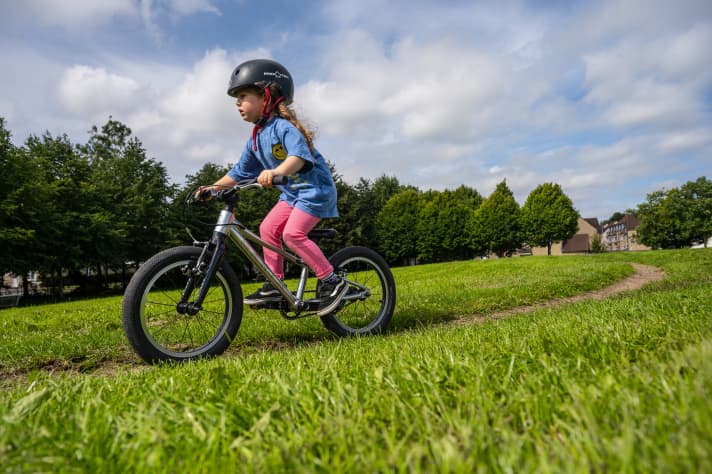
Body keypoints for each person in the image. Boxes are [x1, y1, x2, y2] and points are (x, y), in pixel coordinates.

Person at [199, 59, 347, 314]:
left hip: (315, 192)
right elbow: (240, 172)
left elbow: (298, 157)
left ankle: (331, 280)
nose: (237, 103)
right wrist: (212, 188)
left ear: (266, 96)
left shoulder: (283, 127)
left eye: (243, 96)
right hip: (291, 196)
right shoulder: (256, 137)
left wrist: (277, 171)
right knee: (267, 228)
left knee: (292, 235)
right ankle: (275, 284)